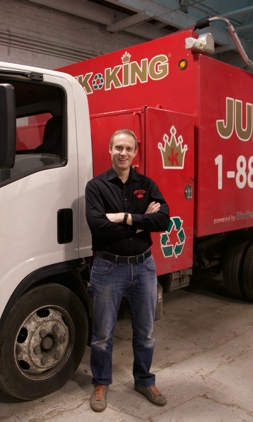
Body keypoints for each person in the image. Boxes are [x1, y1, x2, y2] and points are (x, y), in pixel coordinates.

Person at [85, 129, 170, 412]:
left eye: (129, 149)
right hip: (108, 267)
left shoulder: (146, 184)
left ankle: (144, 380)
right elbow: (98, 227)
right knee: (103, 334)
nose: (123, 153)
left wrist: (124, 217)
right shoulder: (96, 187)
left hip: (144, 267)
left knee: (145, 332)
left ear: (135, 153)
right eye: (118, 147)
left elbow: (163, 221)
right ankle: (101, 383)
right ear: (110, 150)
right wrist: (143, 220)